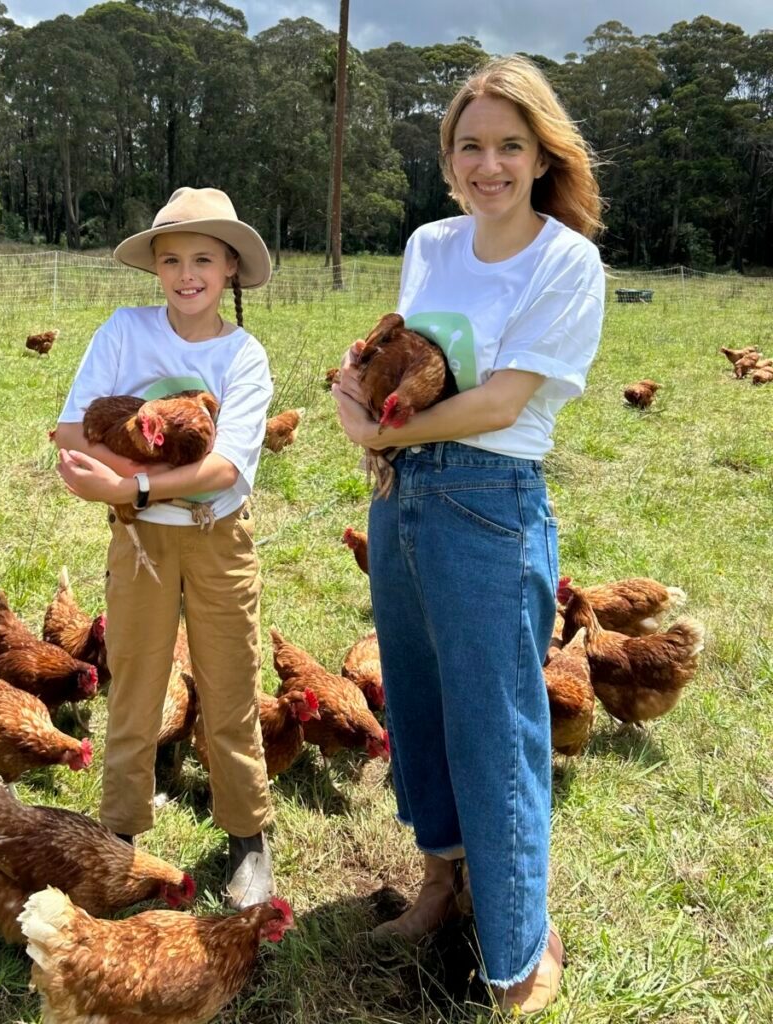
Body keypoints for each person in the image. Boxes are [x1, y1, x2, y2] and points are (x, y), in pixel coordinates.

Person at [332, 56, 605, 1013]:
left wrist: (383, 430)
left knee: (496, 725)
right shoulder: (430, 244)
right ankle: (442, 883)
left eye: (510, 146)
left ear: (543, 156)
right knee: (416, 701)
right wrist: (359, 387)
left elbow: (500, 403)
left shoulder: (565, 260)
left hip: (490, 501)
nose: (490, 165)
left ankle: (520, 937)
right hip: (402, 494)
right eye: (471, 146)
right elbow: (405, 355)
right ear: (448, 158)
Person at [53, 187, 275, 909]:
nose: (187, 274)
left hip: (217, 539)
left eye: (203, 259)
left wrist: (129, 485)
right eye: (172, 259)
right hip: (139, 541)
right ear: (156, 268)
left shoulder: (243, 355)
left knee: (230, 683)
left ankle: (247, 834)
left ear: (230, 268)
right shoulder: (124, 331)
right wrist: (134, 493)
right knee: (134, 682)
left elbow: (225, 470)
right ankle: (119, 830)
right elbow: (71, 432)